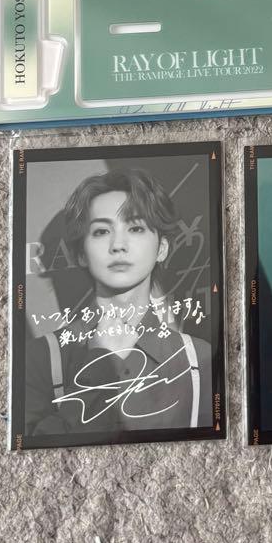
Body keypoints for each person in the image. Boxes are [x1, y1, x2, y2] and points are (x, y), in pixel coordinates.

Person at [23, 168, 212, 438]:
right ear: (81, 253)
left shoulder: (199, 358)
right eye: (101, 231)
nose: (118, 245)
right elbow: (38, 457)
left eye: (135, 228)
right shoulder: (40, 358)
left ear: (162, 249)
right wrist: (100, 362)